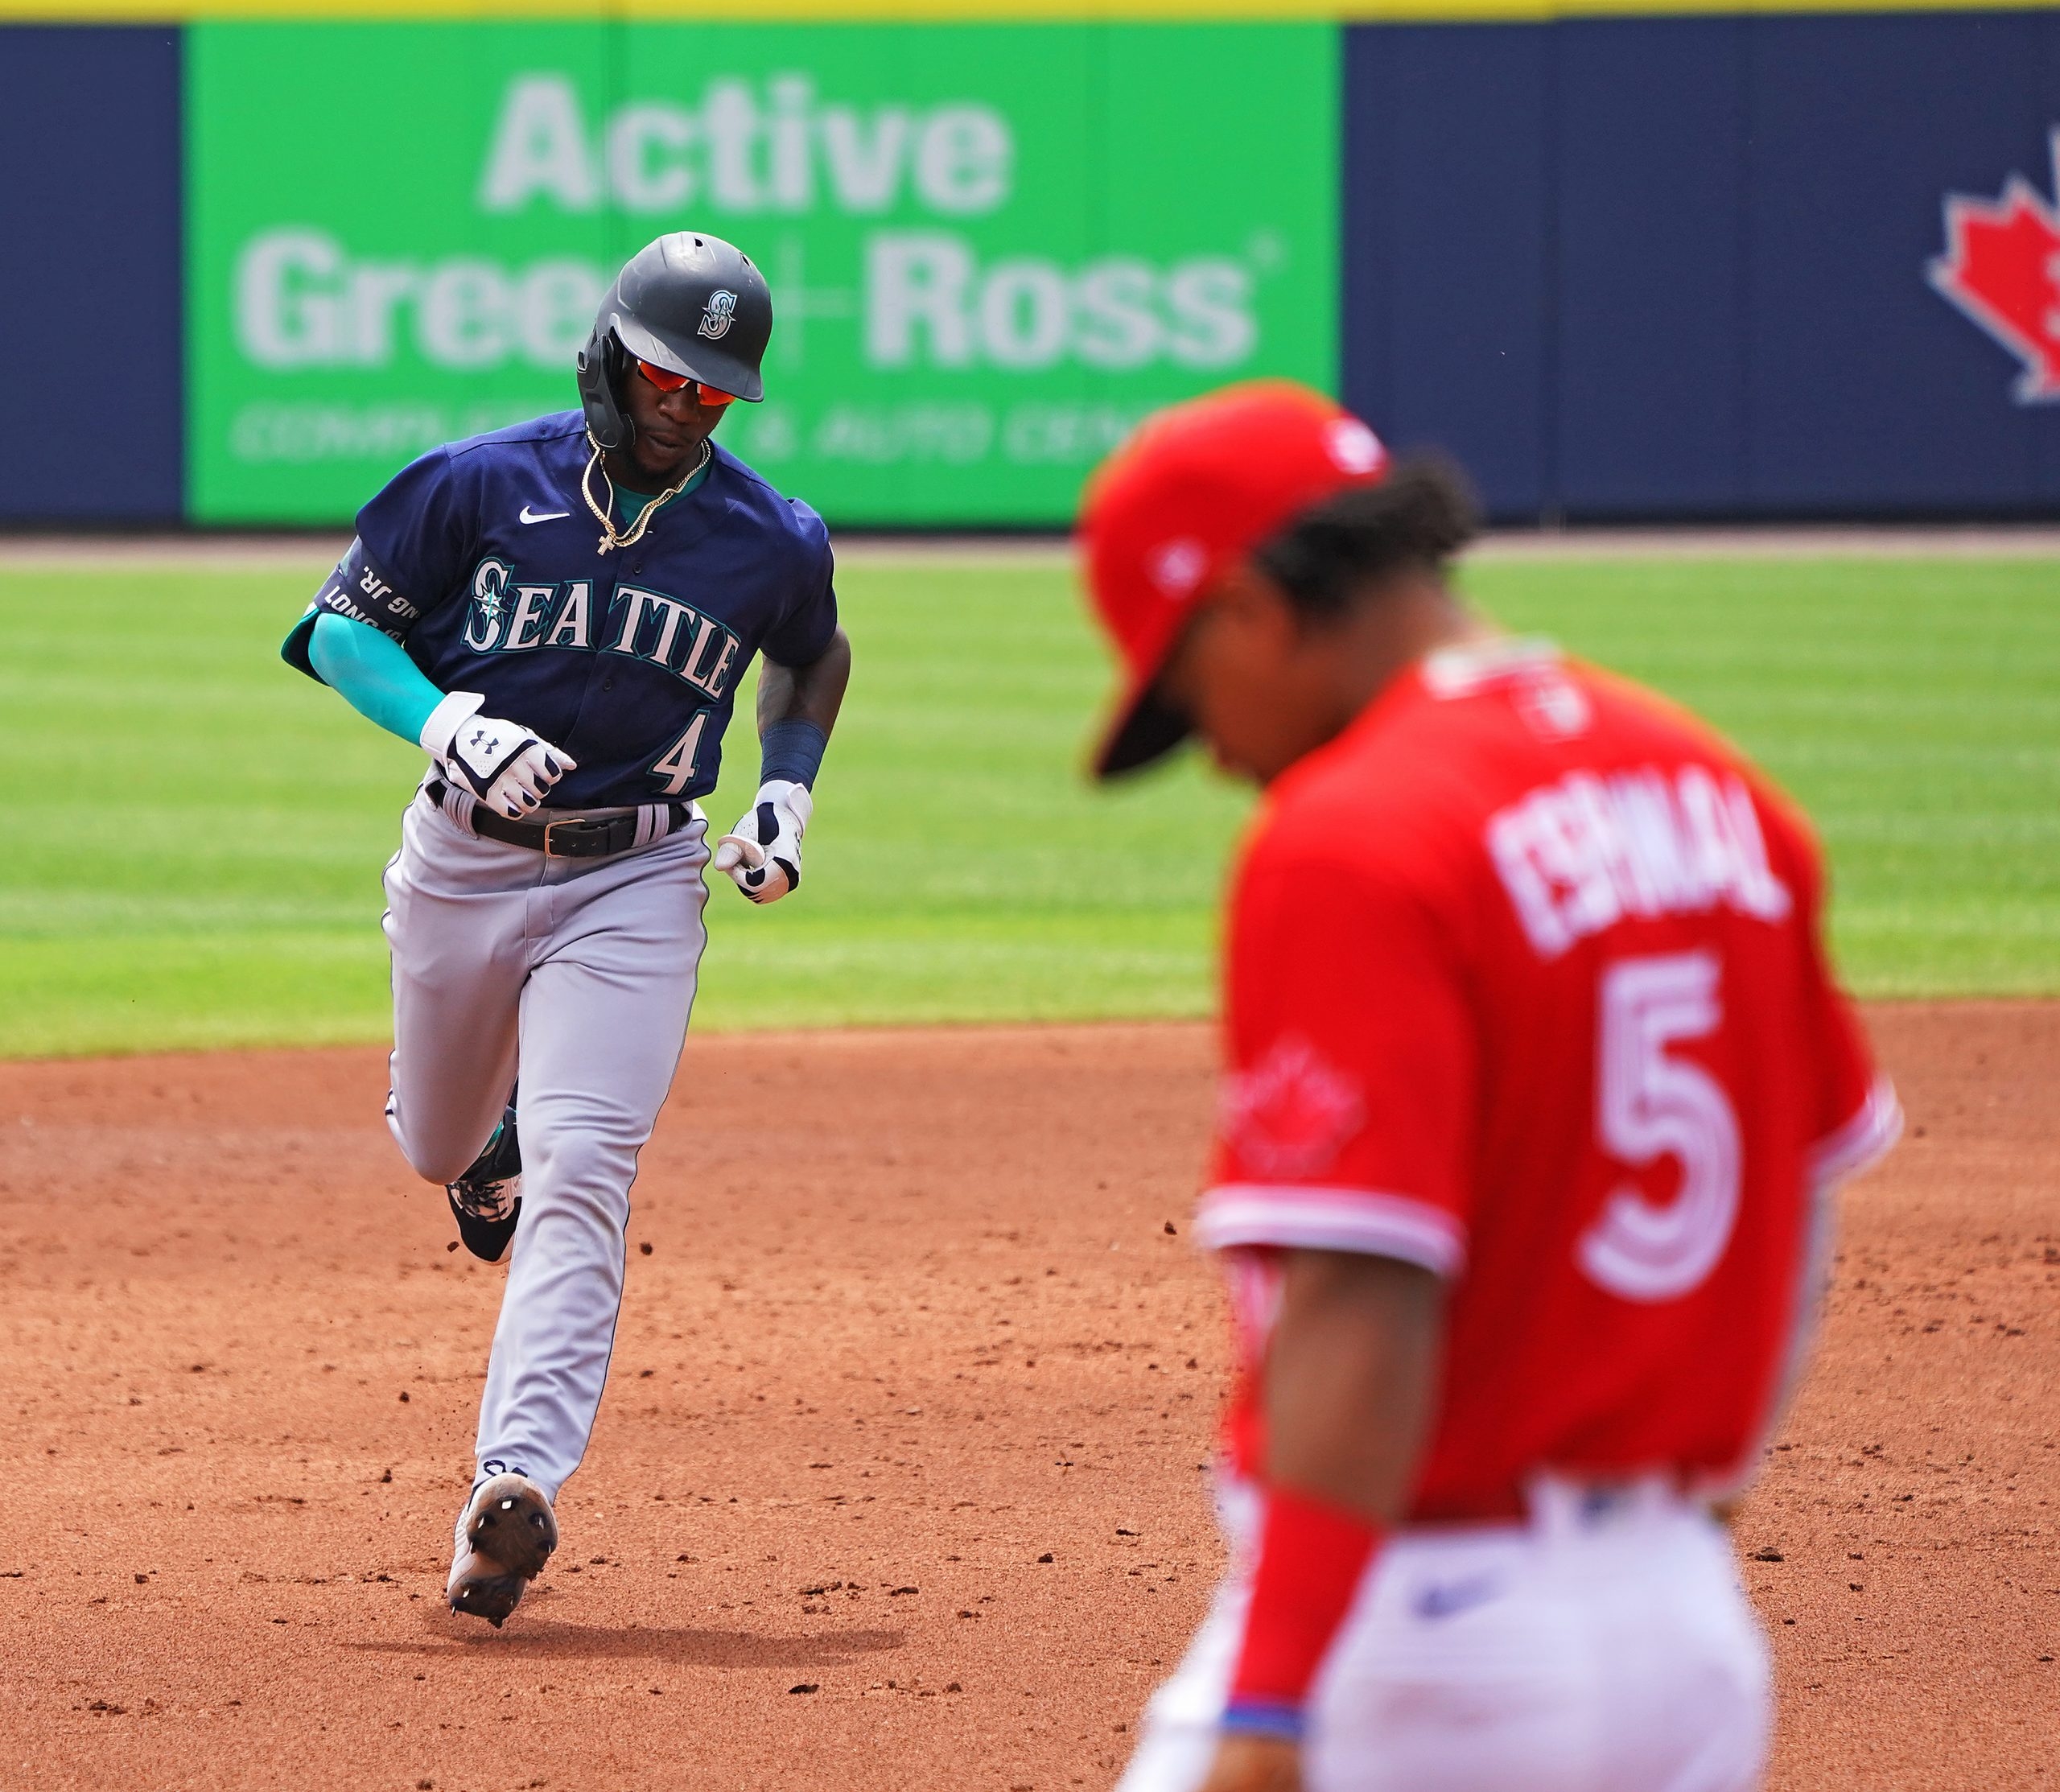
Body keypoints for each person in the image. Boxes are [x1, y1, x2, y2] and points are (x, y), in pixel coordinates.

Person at [1075, 381, 1898, 1792]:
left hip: (1422, 1644)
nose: (1215, 755)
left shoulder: (1355, 839)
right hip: (1687, 1639)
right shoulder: (1720, 792)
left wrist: (1272, 1709)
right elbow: (1807, 1192)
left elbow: (1364, 1291)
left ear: (1253, 613)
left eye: (1192, 695)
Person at [279, 231, 851, 1627]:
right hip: (463, 867)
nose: (687, 409)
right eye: (668, 378)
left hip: (636, 881)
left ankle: (509, 1487)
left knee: (589, 1161)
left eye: (715, 394)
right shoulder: (481, 482)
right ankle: (482, 1148)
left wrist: (783, 797)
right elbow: (337, 628)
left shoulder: (768, 538)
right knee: (433, 1142)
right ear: (610, 356)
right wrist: (445, 719)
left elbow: (811, 652)